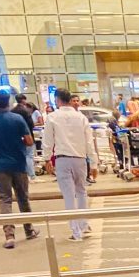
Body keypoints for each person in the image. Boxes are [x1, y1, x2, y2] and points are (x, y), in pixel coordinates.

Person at [0, 90, 40, 249]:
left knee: (5, 199)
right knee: (23, 197)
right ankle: (29, 230)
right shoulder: (17, 118)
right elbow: (29, 141)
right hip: (18, 164)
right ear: (8, 101)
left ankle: (9, 235)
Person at [42, 88, 97, 242]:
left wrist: (46, 159)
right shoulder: (81, 117)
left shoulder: (52, 117)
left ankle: (75, 231)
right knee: (81, 192)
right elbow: (89, 142)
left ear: (57, 99)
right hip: (80, 158)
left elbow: (48, 141)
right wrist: (93, 163)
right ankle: (84, 225)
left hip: (63, 159)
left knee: (69, 195)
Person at [12, 94, 36, 179]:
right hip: (28, 136)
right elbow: (31, 124)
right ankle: (31, 175)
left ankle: (23, 174)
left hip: (16, 137)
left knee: (21, 156)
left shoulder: (12, 111)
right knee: (29, 155)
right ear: (23, 100)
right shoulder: (26, 111)